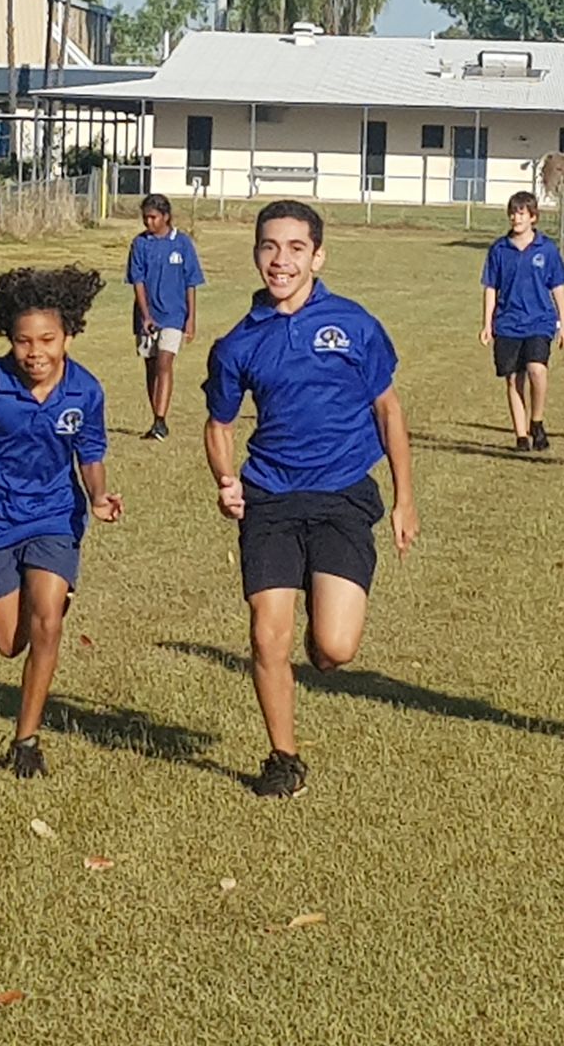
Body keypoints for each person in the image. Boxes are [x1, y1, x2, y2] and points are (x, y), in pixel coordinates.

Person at [204, 200, 419, 798]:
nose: (282, 260)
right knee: (265, 634)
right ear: (256, 254)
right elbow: (218, 424)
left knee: (334, 647)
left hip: (342, 498)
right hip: (269, 498)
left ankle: (320, 635)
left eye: (296, 248)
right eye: (270, 247)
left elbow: (388, 408)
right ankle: (283, 757)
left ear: (318, 256)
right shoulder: (237, 343)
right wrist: (225, 478)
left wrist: (404, 498)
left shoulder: (354, 324)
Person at [0, 265, 122, 779]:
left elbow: (92, 451)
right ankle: (47, 602)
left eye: (47, 340)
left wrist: (99, 493)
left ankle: (26, 740)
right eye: (22, 341)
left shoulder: (86, 391)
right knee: (10, 642)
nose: (35, 352)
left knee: (47, 623)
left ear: (70, 335)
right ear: (6, 338)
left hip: (55, 515)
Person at [479, 190, 564, 451]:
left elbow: (558, 286)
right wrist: (487, 324)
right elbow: (490, 287)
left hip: (539, 320)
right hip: (508, 322)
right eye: (512, 212)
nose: (515, 217)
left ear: (533, 217)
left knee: (537, 369)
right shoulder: (499, 249)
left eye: (521, 213)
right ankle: (521, 436)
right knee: (513, 378)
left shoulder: (547, 249)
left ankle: (537, 420)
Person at [125, 193, 204, 440]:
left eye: (153, 217)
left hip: (174, 315)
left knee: (164, 363)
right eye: (145, 217)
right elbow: (137, 281)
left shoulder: (182, 244)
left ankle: (160, 420)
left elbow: (191, 282)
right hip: (148, 316)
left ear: (165, 217)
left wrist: (191, 318)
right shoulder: (140, 244)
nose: (148, 222)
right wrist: (145, 316)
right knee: (151, 366)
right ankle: (157, 418)